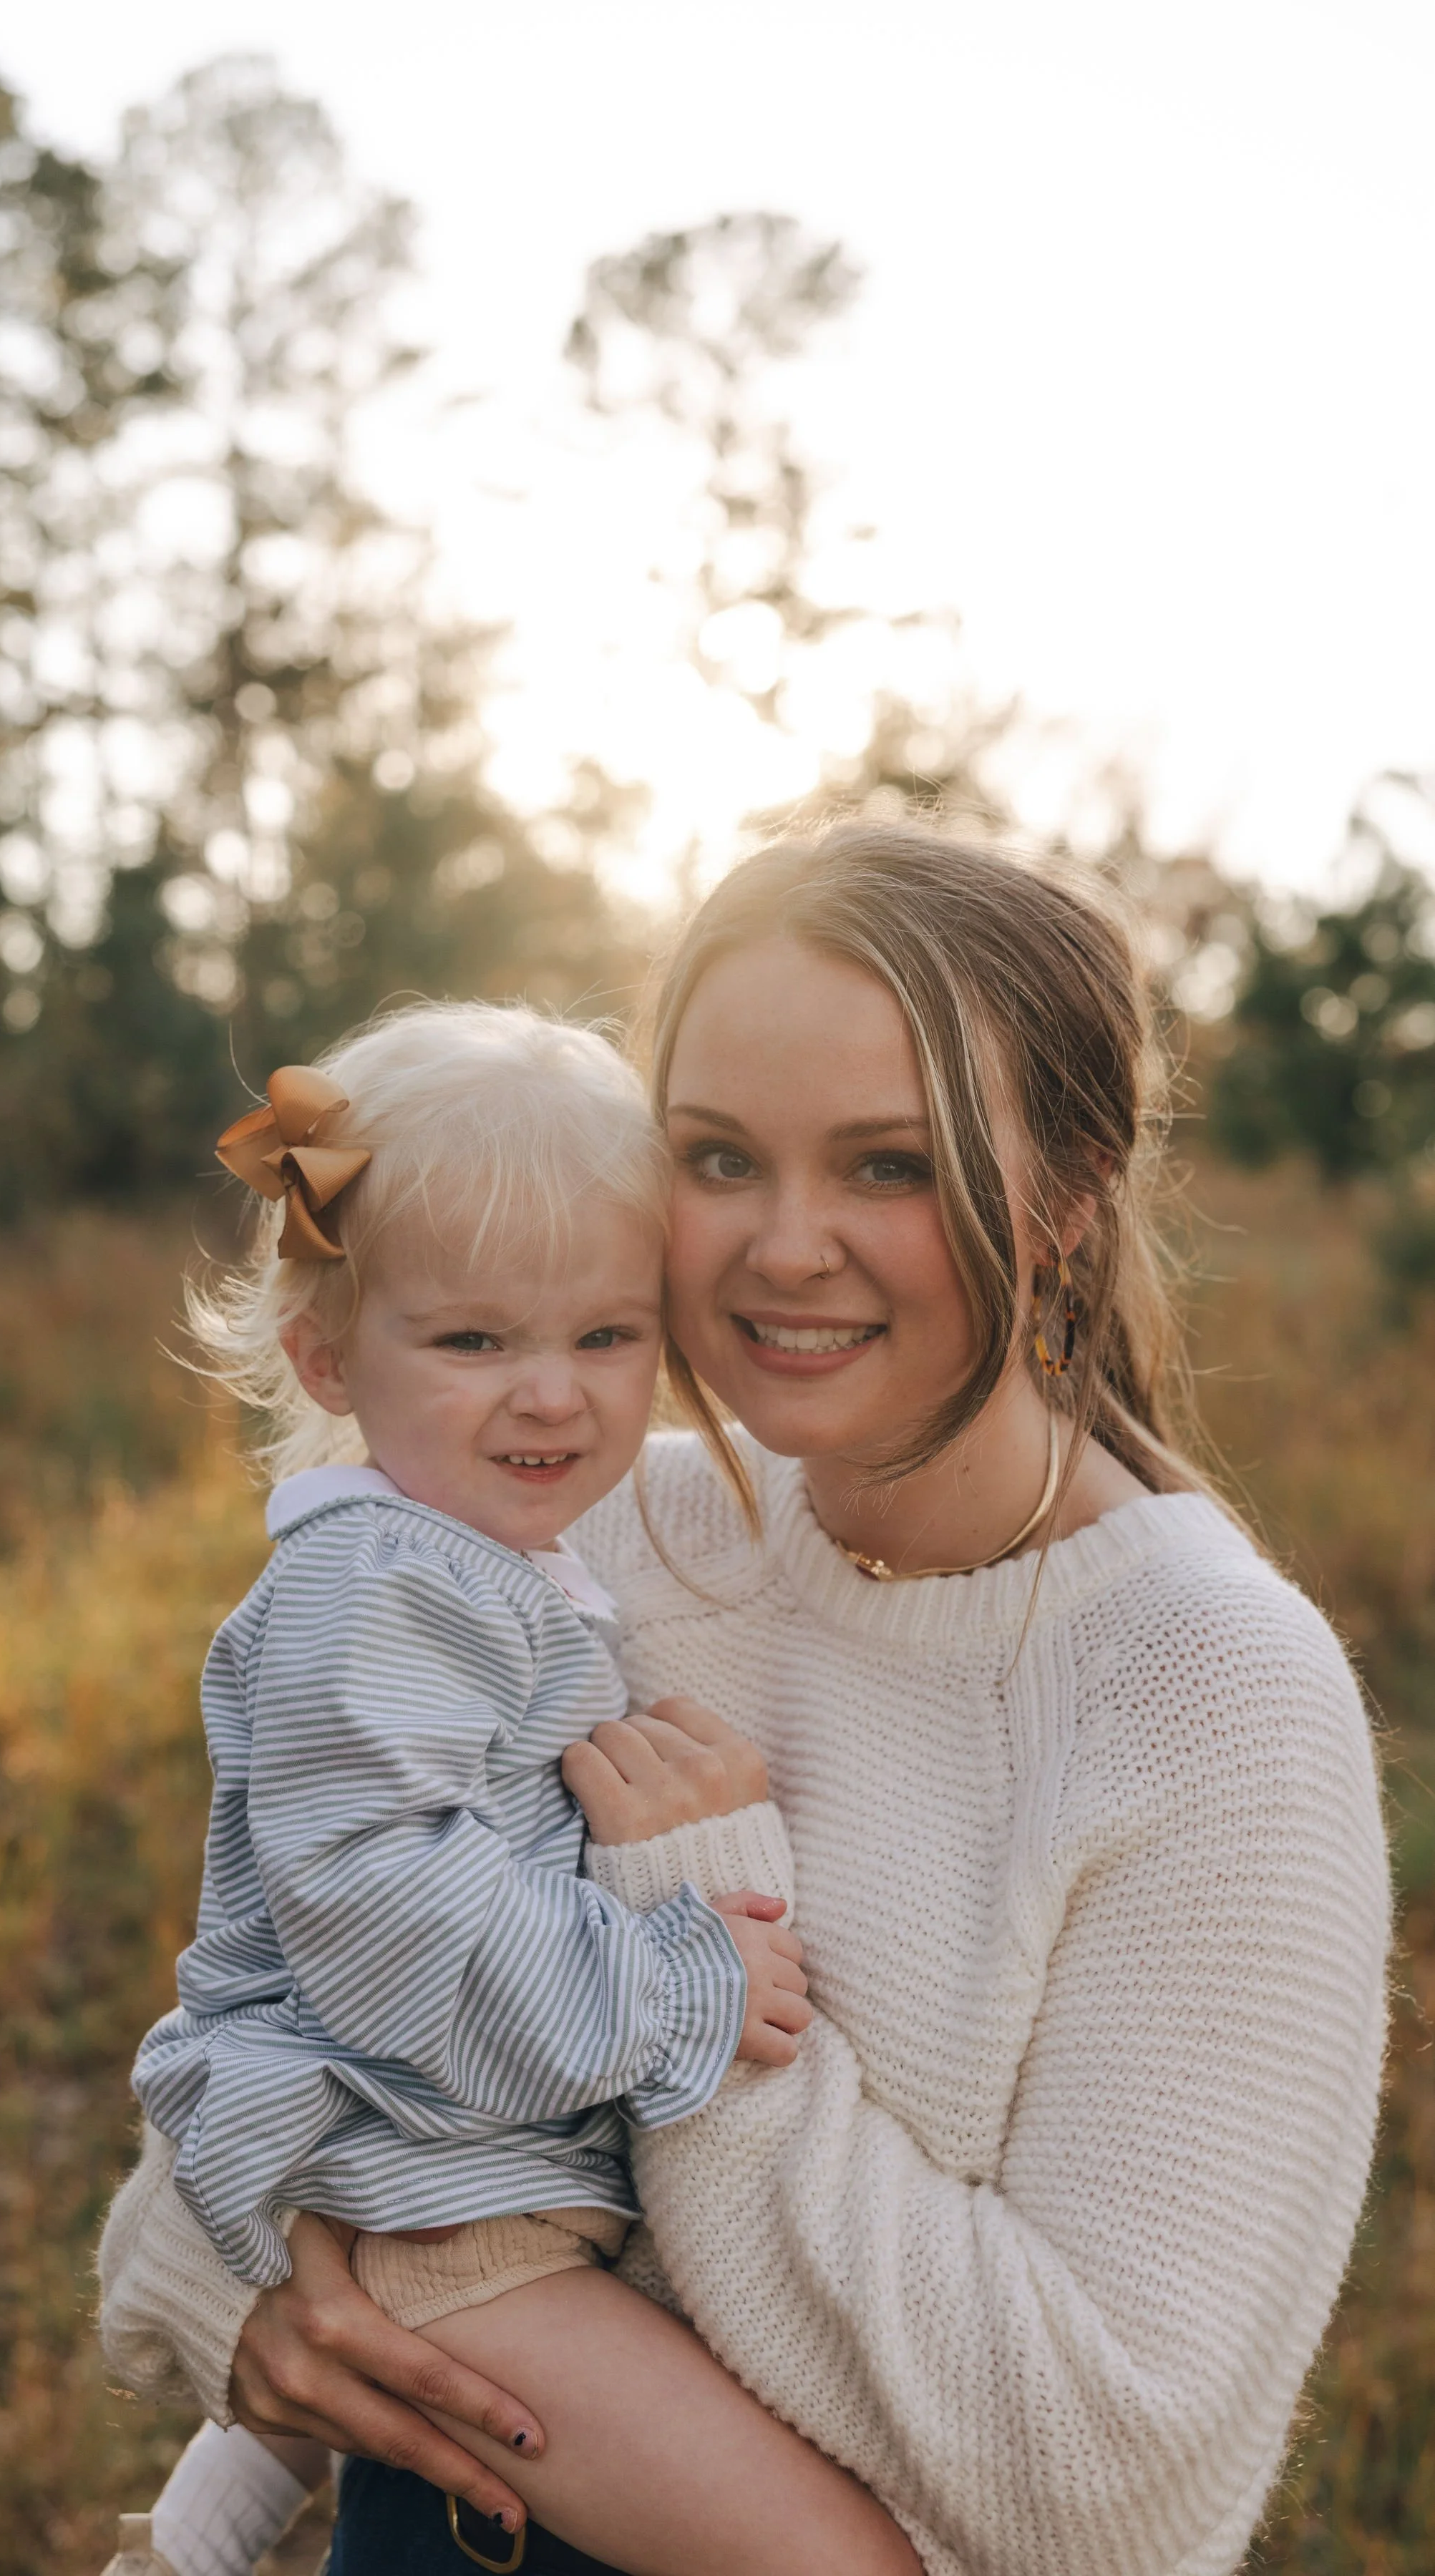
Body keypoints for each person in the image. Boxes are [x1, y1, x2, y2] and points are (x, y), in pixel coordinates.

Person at [100, 825, 1390, 2576]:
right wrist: (241, 2293)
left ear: (1072, 1191)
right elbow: (324, 1967)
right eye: (719, 1158)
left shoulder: (1206, 1692)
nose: (788, 1248)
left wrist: (701, 1950)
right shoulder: (610, 1522)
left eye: (887, 1165)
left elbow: (1114, 2483)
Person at [98, 1001, 918, 2576]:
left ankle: (183, 2544)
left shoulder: (487, 1556)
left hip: (449, 2164)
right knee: (829, 2560)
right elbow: (388, 1910)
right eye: (475, 1341)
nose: (552, 1396)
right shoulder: (387, 1587)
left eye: (605, 1337)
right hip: (435, 2205)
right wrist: (674, 1982)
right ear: (325, 1355)